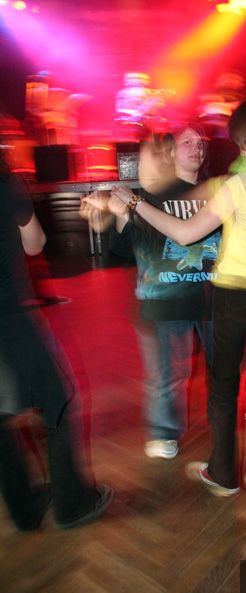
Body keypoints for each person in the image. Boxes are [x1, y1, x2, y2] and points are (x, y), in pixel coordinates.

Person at [111, 98, 246, 496]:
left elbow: (185, 233)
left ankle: (224, 473)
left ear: (245, 140)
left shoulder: (239, 184)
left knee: (224, 384)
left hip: (235, 294)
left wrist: (136, 202)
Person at [82, 124, 221, 459]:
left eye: (200, 141)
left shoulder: (216, 193)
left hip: (212, 296)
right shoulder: (151, 196)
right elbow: (121, 248)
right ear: (170, 153)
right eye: (187, 141)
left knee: (223, 365)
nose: (197, 146)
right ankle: (164, 432)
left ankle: (226, 416)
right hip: (164, 301)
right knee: (169, 374)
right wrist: (120, 217)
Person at [0, 150, 113, 530]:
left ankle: (25, 510)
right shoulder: (6, 184)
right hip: (11, 318)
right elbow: (34, 243)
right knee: (58, 405)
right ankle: (72, 504)